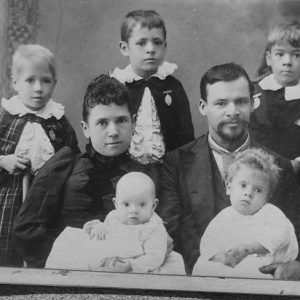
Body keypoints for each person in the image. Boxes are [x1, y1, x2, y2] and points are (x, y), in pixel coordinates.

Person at [13, 75, 184, 274]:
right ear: (86, 128)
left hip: (134, 273)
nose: (113, 131)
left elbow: (167, 234)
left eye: (121, 120)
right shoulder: (66, 166)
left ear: (133, 122)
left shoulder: (149, 174)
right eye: (102, 123)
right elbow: (26, 229)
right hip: (72, 272)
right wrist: (67, 263)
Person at [157, 62, 300, 275]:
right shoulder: (176, 163)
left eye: (241, 102)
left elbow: (292, 235)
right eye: (221, 103)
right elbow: (170, 234)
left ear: (253, 104)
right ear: (203, 107)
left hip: (259, 282)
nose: (232, 112)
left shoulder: (279, 166)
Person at [0, 44, 79, 267]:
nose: (38, 88)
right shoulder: (5, 119)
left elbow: (73, 158)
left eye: (45, 80)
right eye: (30, 80)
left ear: (55, 83)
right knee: (7, 253)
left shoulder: (59, 122)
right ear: (14, 82)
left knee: (40, 252)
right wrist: (4, 161)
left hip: (45, 203)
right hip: (8, 201)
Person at [192, 148, 298, 279]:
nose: (248, 193)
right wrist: (222, 258)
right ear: (229, 187)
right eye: (243, 185)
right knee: (201, 267)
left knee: (253, 272)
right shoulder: (224, 216)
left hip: (264, 262)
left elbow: (280, 235)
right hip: (231, 262)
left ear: (267, 197)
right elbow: (208, 242)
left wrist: (251, 248)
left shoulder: (270, 213)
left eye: (258, 190)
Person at [46, 172, 180, 274]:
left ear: (154, 205)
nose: (133, 211)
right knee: (70, 240)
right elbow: (105, 229)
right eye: (126, 204)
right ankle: (66, 273)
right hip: (106, 255)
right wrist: (98, 227)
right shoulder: (115, 216)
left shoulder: (153, 227)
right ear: (116, 204)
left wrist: (132, 265)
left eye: (142, 204)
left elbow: (154, 257)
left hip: (129, 263)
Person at [110, 10, 194, 165]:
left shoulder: (173, 86)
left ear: (165, 46)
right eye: (141, 43)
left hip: (168, 170)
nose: (150, 49)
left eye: (157, 42)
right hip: (124, 170)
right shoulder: (116, 87)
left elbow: (185, 136)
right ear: (124, 48)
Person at [250, 21, 300, 174]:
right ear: (268, 58)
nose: (287, 62)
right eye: (280, 54)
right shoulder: (252, 91)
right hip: (254, 171)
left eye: (296, 55)